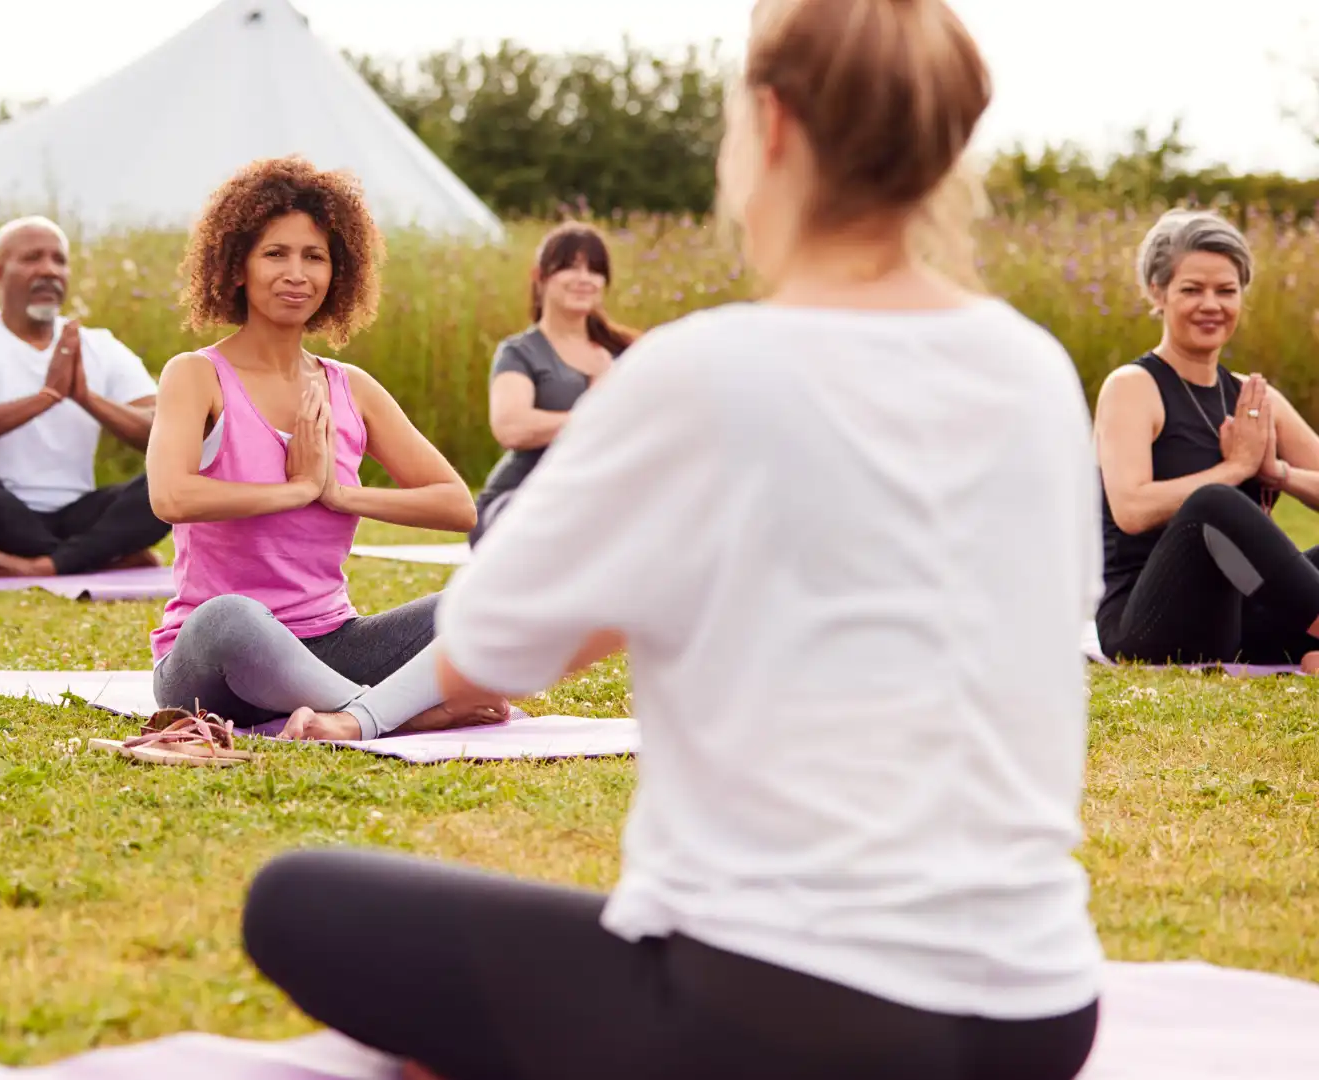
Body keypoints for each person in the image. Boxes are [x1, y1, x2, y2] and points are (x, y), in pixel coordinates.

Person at [240, 1, 1105, 1078]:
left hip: (786, 1016)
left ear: (773, 126)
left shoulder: (705, 368)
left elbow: (483, 648)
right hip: (1043, 1013)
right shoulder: (1034, 369)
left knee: (296, 900)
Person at [145, 156, 505, 742]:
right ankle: (393, 714)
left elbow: (455, 504)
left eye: (315, 257)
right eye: (275, 254)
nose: (297, 273)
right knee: (229, 618)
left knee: (487, 599)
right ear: (237, 267)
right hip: (216, 664)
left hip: (334, 643)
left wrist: (339, 494)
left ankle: (352, 712)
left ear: (338, 274)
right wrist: (295, 490)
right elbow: (171, 496)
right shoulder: (195, 376)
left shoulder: (351, 388)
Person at [1092, 209, 1319, 668]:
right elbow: (1131, 510)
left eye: (1226, 291)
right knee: (1214, 501)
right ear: (1158, 292)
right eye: (1192, 290)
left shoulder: (1252, 396)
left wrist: (1277, 473)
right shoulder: (1132, 386)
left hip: (1234, 619)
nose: (1211, 305)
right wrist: (1233, 470)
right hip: (1148, 621)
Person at [0, 217, 168, 577]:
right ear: (0, 272)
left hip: (74, 515)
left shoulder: (100, 347)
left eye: (59, 260)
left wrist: (87, 399)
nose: (49, 270)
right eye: (32, 258)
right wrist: (45, 397)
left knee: (166, 479)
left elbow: (164, 432)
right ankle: (98, 555)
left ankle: (47, 564)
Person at [470, 222, 637, 547]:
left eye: (595, 270)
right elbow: (512, 427)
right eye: (570, 268)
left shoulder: (625, 352)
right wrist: (598, 410)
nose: (584, 279)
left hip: (603, 498)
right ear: (540, 276)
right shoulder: (521, 352)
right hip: (520, 500)